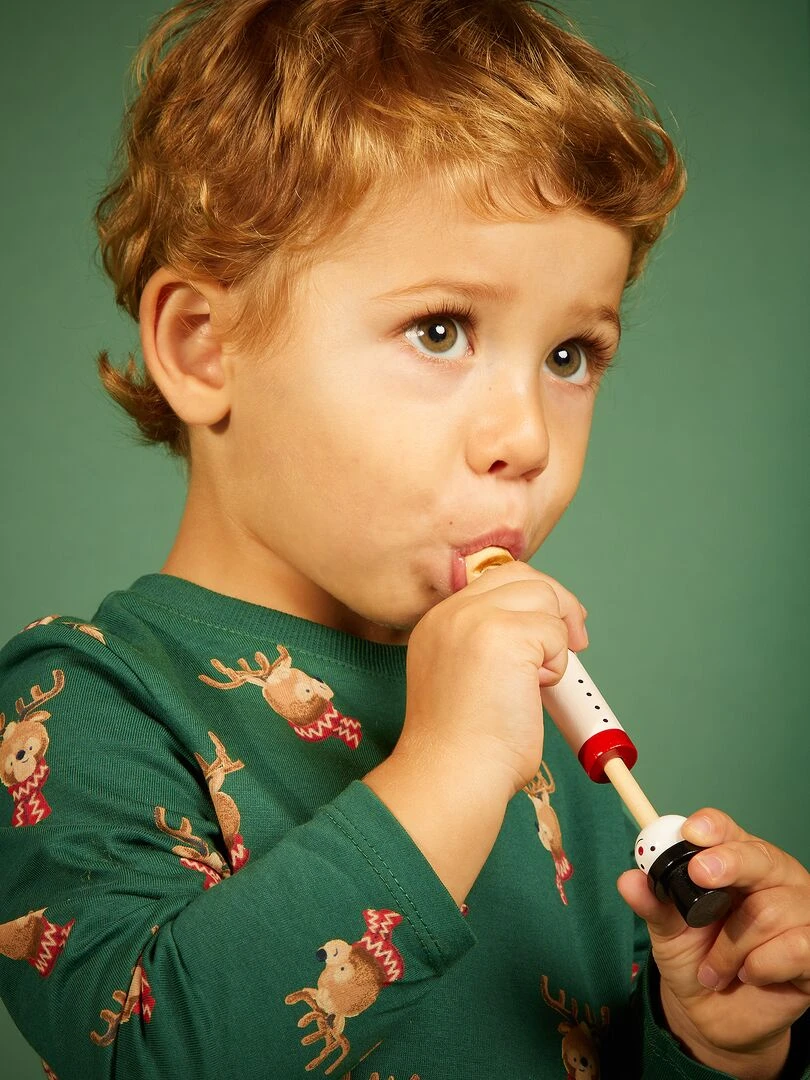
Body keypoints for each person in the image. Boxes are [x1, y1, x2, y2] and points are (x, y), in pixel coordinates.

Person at [0, 1, 808, 1077]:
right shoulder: (82, 705)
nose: (526, 437)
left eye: (570, 356)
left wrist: (709, 1040)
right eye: (440, 330)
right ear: (202, 348)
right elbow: (153, 1053)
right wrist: (451, 765)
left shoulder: (537, 727)